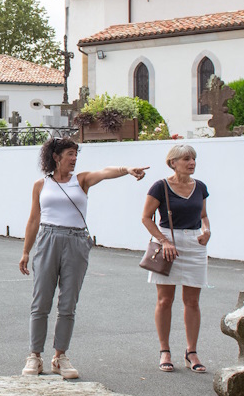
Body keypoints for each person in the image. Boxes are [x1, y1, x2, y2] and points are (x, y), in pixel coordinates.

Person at [18, 138, 148, 380]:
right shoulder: (41, 185)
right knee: (41, 302)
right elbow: (33, 219)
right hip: (47, 239)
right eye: (69, 154)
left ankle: (60, 357)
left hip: (76, 241)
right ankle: (34, 356)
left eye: (76, 154)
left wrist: (127, 170)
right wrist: (26, 251)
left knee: (68, 303)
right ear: (56, 157)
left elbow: (104, 172)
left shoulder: (81, 180)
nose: (74, 158)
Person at [142, 144, 210, 374]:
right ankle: (165, 350)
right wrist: (164, 241)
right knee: (165, 300)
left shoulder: (200, 187)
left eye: (193, 159)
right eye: (186, 159)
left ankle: (191, 352)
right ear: (173, 162)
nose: (191, 163)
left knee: (192, 301)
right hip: (168, 242)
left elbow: (203, 215)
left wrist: (207, 230)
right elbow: (146, 218)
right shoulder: (160, 187)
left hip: (195, 244)